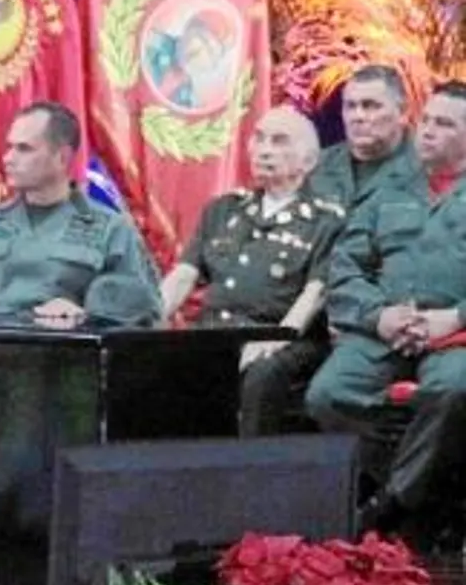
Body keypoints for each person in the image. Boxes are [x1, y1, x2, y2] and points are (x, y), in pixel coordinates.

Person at [306, 81, 466, 543]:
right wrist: (378, 315)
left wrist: (456, 317)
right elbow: (346, 266)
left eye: (444, 124)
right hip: (385, 328)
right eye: (427, 120)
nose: (427, 132)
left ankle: (390, 504)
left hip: (455, 331)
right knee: (328, 394)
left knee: (452, 390)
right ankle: (426, 494)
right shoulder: (390, 189)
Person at [158, 106, 345, 436]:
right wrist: (146, 318)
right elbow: (184, 275)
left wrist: (277, 338)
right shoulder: (223, 209)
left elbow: (315, 295)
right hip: (216, 330)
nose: (264, 149)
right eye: (259, 139)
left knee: (262, 372)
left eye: (279, 141)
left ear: (307, 161)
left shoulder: (325, 221)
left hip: (283, 335)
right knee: (148, 361)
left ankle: (249, 477)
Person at [0, 101, 160, 327]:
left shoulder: (109, 230)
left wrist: (85, 315)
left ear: (62, 157)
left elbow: (143, 310)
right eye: (10, 147)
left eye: (24, 149)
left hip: (64, 361)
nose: (8, 158)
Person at [305, 64, 422, 210]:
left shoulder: (427, 171)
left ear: (403, 112)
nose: (357, 116)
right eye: (350, 106)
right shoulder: (315, 169)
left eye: (370, 106)